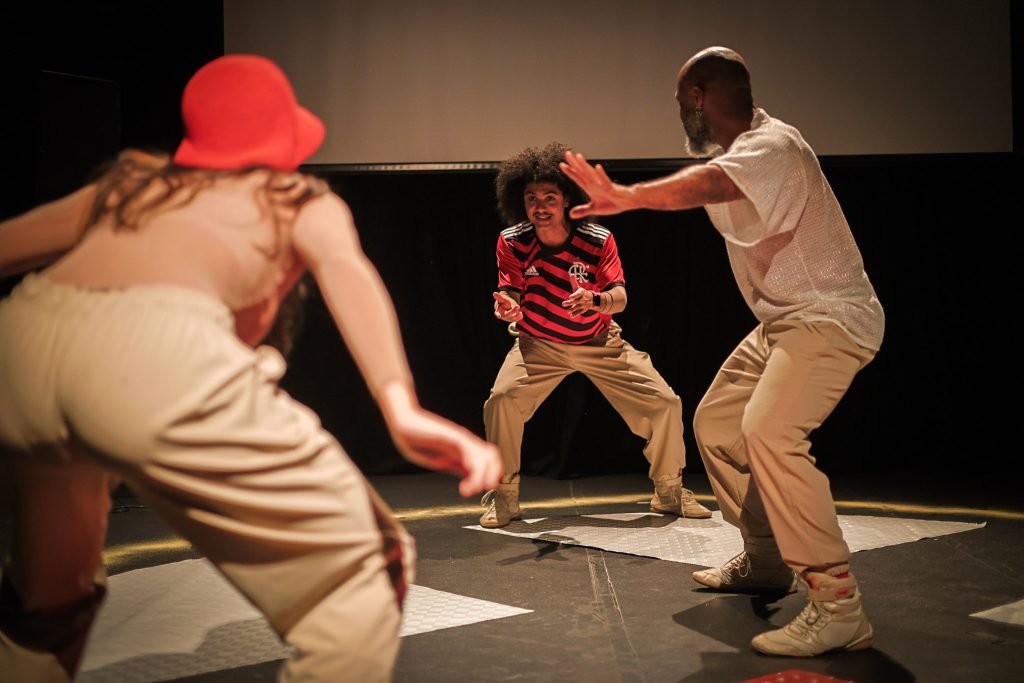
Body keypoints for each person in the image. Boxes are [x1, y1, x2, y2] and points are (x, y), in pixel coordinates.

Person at [0, 54, 501, 682]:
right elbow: (350, 272)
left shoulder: (129, 188)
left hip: (21, 342)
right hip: (150, 356)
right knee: (359, 578)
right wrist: (400, 406)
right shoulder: (290, 195)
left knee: (47, 605)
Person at [560, 47, 884, 657]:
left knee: (769, 432)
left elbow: (712, 183)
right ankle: (766, 560)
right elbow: (719, 179)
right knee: (718, 422)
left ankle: (839, 605)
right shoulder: (748, 152)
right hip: (783, 323)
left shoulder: (772, 146)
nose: (682, 115)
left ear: (699, 97)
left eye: (682, 102)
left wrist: (629, 197)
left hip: (829, 317)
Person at [480, 142, 711, 529]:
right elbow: (510, 292)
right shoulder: (513, 240)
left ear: (566, 198)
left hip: (599, 342)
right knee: (501, 401)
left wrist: (597, 299)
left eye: (549, 197)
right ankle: (504, 497)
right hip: (538, 344)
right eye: (531, 198)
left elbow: (620, 297)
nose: (540, 205)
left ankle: (668, 490)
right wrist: (506, 305)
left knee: (664, 404)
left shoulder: (597, 238)